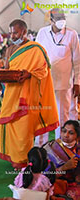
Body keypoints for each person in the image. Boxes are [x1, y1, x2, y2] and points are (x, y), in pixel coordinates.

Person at [0, 19, 59, 168]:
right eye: (11, 32)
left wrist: (29, 74)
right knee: (10, 124)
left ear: (24, 32)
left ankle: (23, 160)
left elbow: (44, 70)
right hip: (11, 93)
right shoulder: (10, 49)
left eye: (15, 32)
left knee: (24, 127)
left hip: (28, 95)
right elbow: (7, 68)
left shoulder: (36, 49)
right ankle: (14, 157)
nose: (12, 36)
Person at [35, 8, 80, 146]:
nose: (62, 21)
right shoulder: (42, 33)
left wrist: (77, 82)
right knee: (42, 116)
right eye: (58, 18)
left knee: (62, 116)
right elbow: (36, 55)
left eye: (63, 17)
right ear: (51, 20)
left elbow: (77, 61)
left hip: (64, 84)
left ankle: (62, 147)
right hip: (44, 82)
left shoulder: (72, 34)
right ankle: (40, 147)